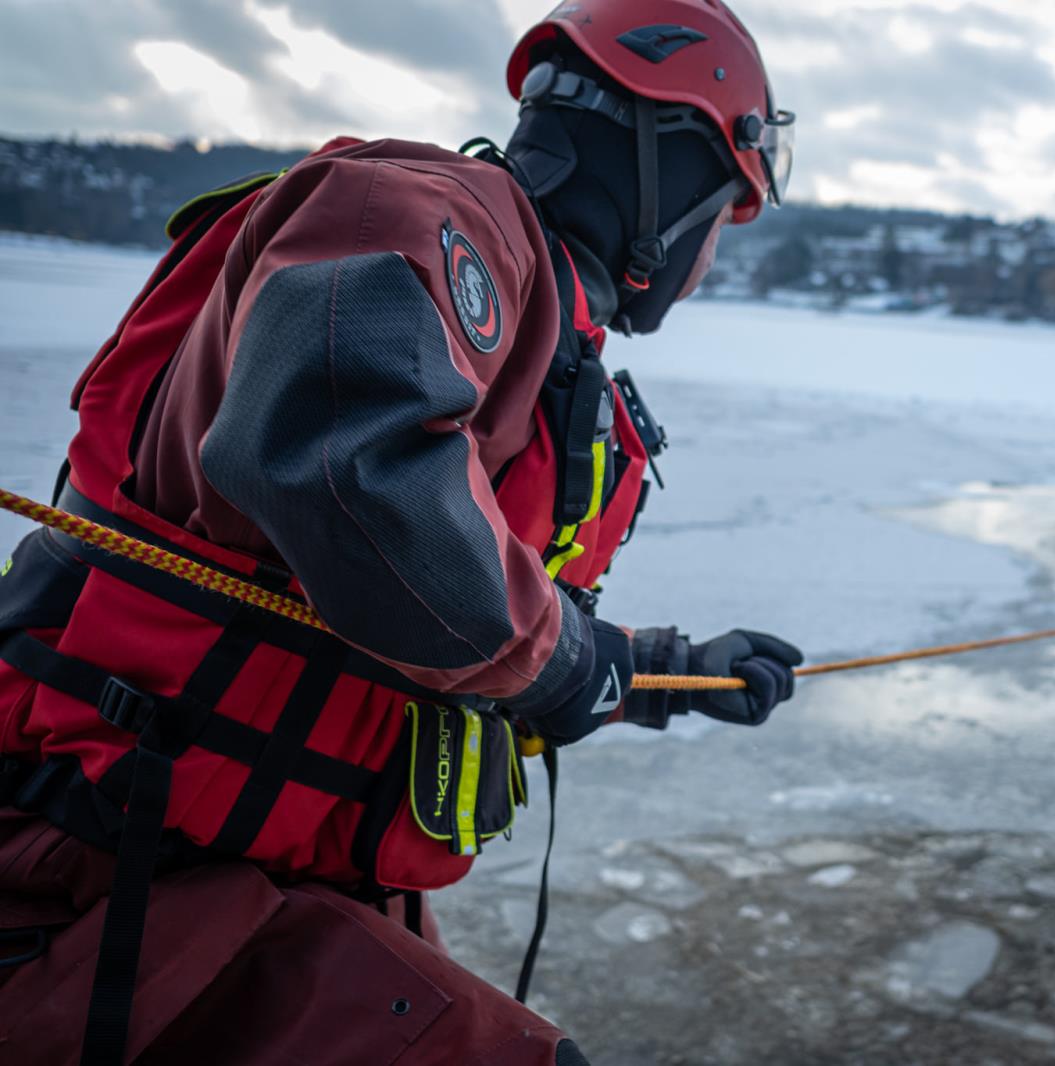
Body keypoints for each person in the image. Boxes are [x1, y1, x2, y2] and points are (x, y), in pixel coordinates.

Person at [0, 2, 798, 1063]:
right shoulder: (415, 210)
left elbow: (468, 615)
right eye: (727, 209)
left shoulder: (541, 334)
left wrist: (659, 672)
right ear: (673, 172)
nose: (711, 258)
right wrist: (562, 660)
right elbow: (346, 473)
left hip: (269, 880)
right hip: (101, 868)